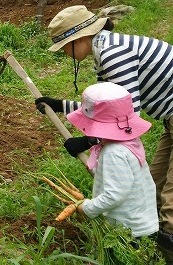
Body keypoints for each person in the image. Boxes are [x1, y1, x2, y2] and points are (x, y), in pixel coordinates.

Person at [33, 5, 173, 262]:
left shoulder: (113, 55)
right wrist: (60, 105)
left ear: (80, 38)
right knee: (154, 183)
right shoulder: (104, 50)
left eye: (64, 45)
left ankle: (160, 253)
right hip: (169, 117)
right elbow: (104, 108)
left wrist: (88, 141)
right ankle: (143, 244)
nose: (64, 53)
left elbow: (127, 116)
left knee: (170, 203)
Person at [66, 82, 158, 243]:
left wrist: (88, 208)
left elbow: (115, 194)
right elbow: (117, 178)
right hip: (142, 222)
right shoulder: (130, 142)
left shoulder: (113, 152)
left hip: (128, 231)